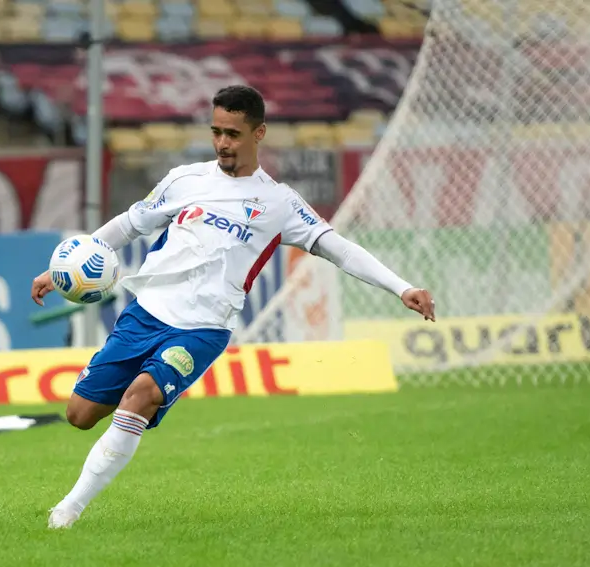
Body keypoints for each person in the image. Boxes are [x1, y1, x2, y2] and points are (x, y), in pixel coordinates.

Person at [31, 85, 436, 529]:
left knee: (140, 396)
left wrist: (402, 288)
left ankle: (68, 509)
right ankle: (82, 481)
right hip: (145, 314)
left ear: (258, 133)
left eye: (233, 134)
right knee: (80, 415)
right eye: (217, 132)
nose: (223, 143)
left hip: (203, 328)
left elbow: (339, 249)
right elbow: (130, 224)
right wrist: (69, 267)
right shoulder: (185, 179)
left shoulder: (280, 203)